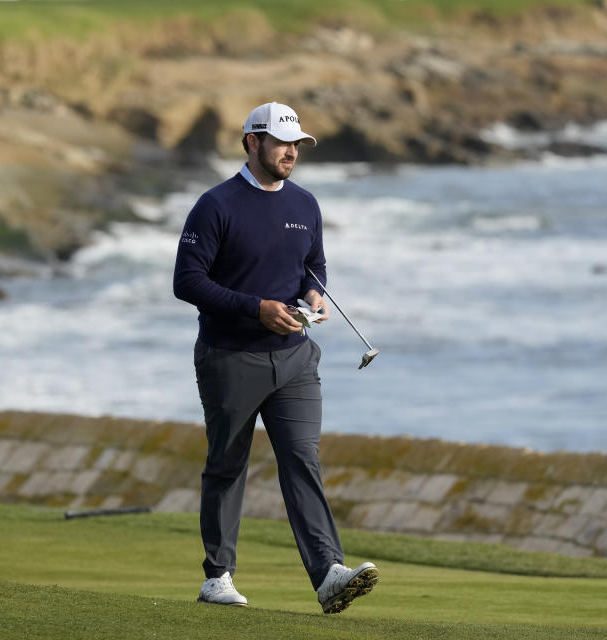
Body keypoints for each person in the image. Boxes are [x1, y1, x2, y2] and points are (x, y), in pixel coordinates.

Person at [173, 102, 379, 614]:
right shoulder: (216, 205)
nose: (291, 152)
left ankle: (330, 574)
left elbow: (314, 267)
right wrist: (256, 309)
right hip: (230, 357)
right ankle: (217, 576)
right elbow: (188, 281)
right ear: (252, 143)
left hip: (294, 359)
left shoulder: (306, 205)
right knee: (227, 464)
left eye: (297, 144)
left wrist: (315, 297)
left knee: (302, 461)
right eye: (281, 142)